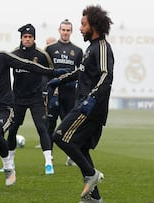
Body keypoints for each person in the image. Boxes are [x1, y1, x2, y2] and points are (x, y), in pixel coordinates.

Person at [0, 28, 64, 188]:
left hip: (5, 108)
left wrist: (53, 73)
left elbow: (28, 65)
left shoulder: (1, 57)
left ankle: (8, 168)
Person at [47, 5, 113, 203]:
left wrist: (92, 98)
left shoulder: (101, 47)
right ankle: (94, 198)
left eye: (83, 24)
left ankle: (91, 174)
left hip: (91, 107)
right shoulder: (91, 47)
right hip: (85, 104)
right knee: (80, 148)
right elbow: (82, 72)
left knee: (60, 137)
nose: (80, 27)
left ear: (94, 25)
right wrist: (62, 79)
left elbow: (106, 75)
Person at [1, 24, 55, 175]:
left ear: (34, 38)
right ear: (21, 38)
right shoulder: (13, 54)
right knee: (12, 130)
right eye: (25, 37)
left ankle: (48, 163)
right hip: (17, 98)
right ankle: (10, 163)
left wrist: (51, 91)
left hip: (36, 97)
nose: (27, 39)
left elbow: (51, 72)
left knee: (42, 128)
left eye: (30, 37)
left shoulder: (42, 55)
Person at [45, 19, 83, 166]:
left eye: (68, 30)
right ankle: (49, 157)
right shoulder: (50, 49)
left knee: (68, 124)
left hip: (69, 93)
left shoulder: (78, 51)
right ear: (59, 30)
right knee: (50, 124)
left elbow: (81, 73)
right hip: (53, 91)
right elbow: (45, 71)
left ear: (71, 32)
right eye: (63, 30)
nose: (65, 32)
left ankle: (71, 156)